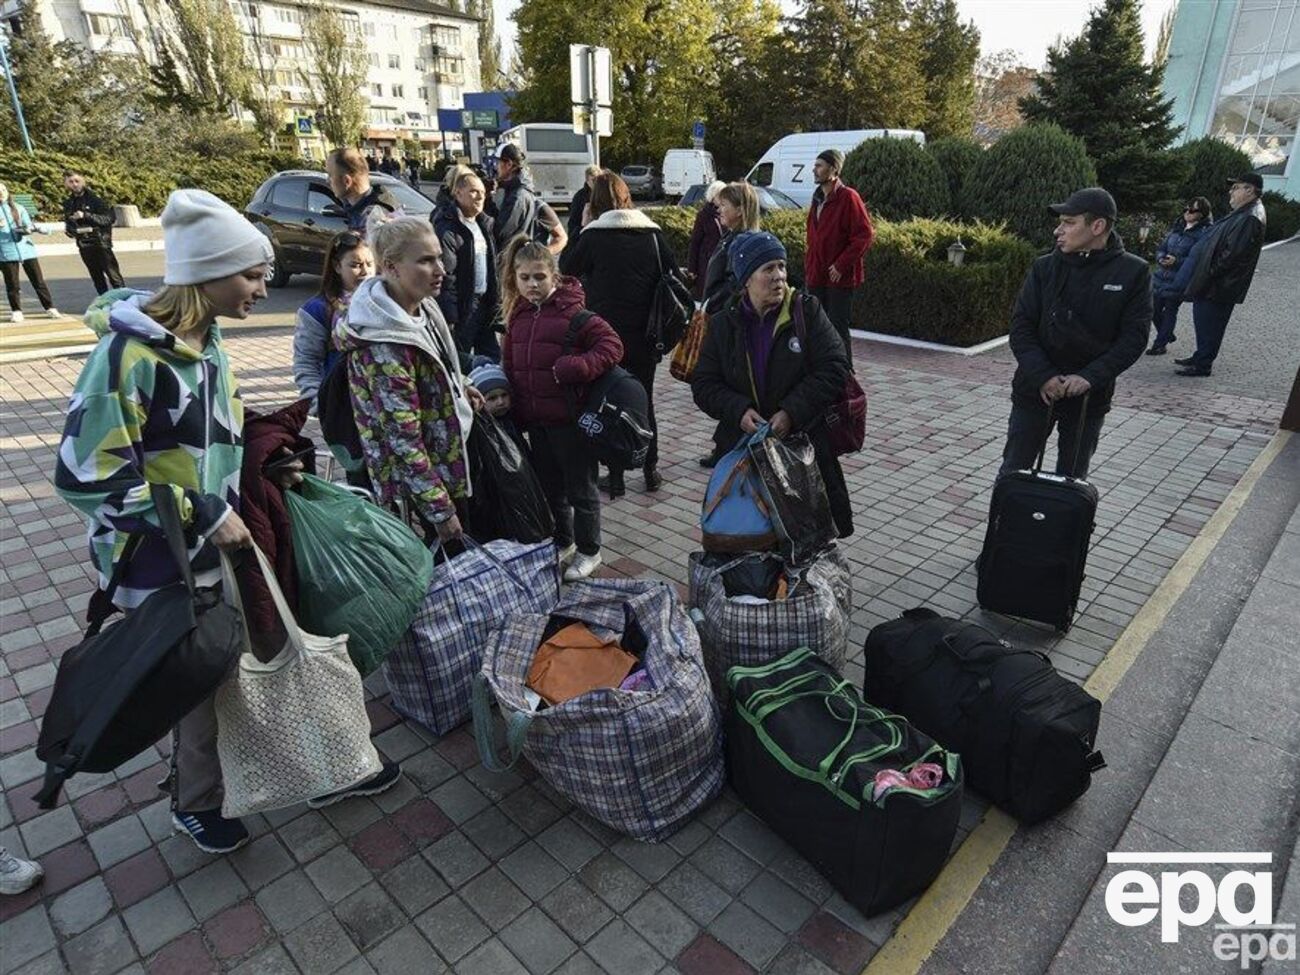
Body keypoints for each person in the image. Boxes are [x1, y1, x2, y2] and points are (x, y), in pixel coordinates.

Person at [53, 189, 403, 853]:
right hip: (160, 563)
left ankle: (321, 767)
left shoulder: (207, 342)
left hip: (222, 544)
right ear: (205, 275)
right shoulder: (127, 360)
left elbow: (224, 433)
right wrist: (202, 512)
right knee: (201, 679)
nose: (264, 288)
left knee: (254, 657)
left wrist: (270, 464)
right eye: (251, 275)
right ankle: (197, 800)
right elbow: (85, 477)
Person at [692, 231, 854, 538]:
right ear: (746, 279)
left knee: (807, 542)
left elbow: (835, 367)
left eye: (781, 266)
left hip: (803, 452)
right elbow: (704, 383)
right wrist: (738, 411)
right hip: (744, 453)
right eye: (768, 268)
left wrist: (791, 412)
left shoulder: (807, 312)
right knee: (747, 539)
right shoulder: (724, 324)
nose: (779, 276)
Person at [338, 213, 484, 542]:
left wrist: (460, 385)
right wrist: (439, 510)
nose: (441, 270)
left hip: (448, 457)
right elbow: (402, 438)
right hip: (420, 485)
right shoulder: (383, 345)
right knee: (447, 565)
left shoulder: (423, 307)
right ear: (391, 267)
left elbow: (439, 361)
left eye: (439, 258)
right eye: (425, 261)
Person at [1002, 187, 1150, 479]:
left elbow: (1134, 338)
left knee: (1071, 479)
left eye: (1069, 223)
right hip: (1034, 390)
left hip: (1088, 399)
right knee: (1013, 473)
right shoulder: (1045, 267)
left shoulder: (1133, 272)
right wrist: (1044, 376)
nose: (1058, 231)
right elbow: (1021, 327)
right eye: (1060, 222)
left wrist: (1089, 378)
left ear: (1098, 226)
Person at [500, 238, 623, 581]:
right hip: (537, 422)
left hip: (571, 422)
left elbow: (612, 346)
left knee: (581, 491)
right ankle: (563, 541)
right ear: (515, 278)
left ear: (554, 276)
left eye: (539, 277)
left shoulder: (573, 312)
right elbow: (510, 364)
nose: (532, 284)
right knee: (551, 490)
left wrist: (577, 367)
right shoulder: (519, 315)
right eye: (525, 278)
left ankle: (590, 550)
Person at [560, 172, 671, 496]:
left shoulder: (594, 237)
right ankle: (650, 468)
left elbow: (566, 268)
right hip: (647, 334)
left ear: (594, 203)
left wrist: (581, 227)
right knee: (644, 399)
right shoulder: (652, 234)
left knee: (609, 400)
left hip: (606, 337)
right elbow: (670, 273)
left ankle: (617, 475)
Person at [1173, 174, 1267, 377]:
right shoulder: (1244, 212)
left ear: (1249, 190)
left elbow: (1232, 255)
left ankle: (1203, 364)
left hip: (1219, 285)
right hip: (1217, 283)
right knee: (1205, 324)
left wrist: (1207, 274)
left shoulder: (1250, 217)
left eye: (1236, 188)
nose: (1231, 192)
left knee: (1210, 325)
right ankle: (1200, 356)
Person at [698, 181, 762, 469]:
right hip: (724, 318)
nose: (719, 209)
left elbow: (737, 285)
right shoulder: (732, 237)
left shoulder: (743, 242)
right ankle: (724, 445)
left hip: (733, 323)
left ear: (740, 209)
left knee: (732, 383)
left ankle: (729, 447)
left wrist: (716, 304)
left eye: (724, 205)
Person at [804, 149, 874, 358]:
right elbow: (813, 237)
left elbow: (864, 235)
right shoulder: (817, 198)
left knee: (837, 328)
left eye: (819, 166)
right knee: (816, 325)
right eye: (815, 165)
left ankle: (844, 371)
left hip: (839, 278)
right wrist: (809, 266)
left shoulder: (849, 197)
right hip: (816, 275)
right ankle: (822, 368)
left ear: (833, 169)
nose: (814, 170)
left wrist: (841, 265)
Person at [293, 231, 374, 403]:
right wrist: (318, 404)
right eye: (356, 265)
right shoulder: (316, 310)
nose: (365, 271)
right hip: (340, 405)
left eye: (370, 264)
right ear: (337, 266)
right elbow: (307, 362)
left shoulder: (384, 303)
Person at [433, 169, 500, 360]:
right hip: (464, 308)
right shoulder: (447, 227)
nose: (480, 197)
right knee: (461, 359)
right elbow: (447, 276)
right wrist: (450, 315)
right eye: (473, 191)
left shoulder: (484, 224)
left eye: (483, 193)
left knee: (492, 359)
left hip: (484, 304)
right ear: (457, 193)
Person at [1147, 197, 1212, 356]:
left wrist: (1176, 261)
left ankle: (1160, 344)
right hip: (1161, 276)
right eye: (1186, 209)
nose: (1187, 212)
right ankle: (1167, 334)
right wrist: (1161, 258)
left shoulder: (1204, 233)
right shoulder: (1177, 227)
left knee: (1170, 310)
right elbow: (1162, 247)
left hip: (1179, 279)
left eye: (1192, 210)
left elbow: (1197, 259)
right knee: (1153, 309)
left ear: (1202, 213)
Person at [0, 183, 60, 323]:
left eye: (3, 190)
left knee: (38, 281)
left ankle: (50, 307)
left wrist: (29, 229)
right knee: (12, 285)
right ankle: (16, 311)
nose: (1, 193)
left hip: (27, 251)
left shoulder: (18, 208)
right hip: (6, 253)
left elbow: (28, 225)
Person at [492, 143, 567, 254]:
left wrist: (540, 256)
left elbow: (499, 235)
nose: (495, 167)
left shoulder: (518, 197)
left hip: (516, 262)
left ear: (509, 164)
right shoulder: (514, 191)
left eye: (497, 162)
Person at [62, 170, 124, 295]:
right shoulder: (69, 203)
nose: (74, 184)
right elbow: (69, 224)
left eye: (77, 181)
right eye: (71, 182)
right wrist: (71, 230)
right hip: (84, 244)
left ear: (83, 182)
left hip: (101, 242)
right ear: (66, 184)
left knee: (113, 276)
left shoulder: (95, 200)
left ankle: (124, 300)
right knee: (97, 277)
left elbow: (108, 219)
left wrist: (86, 215)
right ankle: (104, 301)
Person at [327, 147, 400, 232]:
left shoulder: (373, 222)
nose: (327, 181)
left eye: (330, 175)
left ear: (347, 181)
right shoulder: (365, 206)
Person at [687, 180, 726, 300]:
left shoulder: (726, 213)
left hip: (722, 260)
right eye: (720, 195)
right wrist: (692, 268)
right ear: (713, 197)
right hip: (706, 262)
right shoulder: (703, 215)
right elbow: (695, 242)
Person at [567, 164, 602, 241]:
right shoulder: (580, 196)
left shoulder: (605, 194)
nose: (596, 183)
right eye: (593, 180)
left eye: (599, 180)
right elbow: (573, 221)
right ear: (587, 181)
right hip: (584, 232)